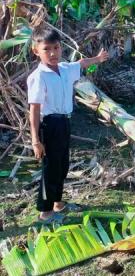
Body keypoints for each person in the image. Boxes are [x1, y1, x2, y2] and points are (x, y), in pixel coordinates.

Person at [27, 26, 109, 224]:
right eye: (47, 49)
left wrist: (98, 59)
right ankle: (45, 212)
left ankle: (58, 203)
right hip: (49, 125)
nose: (53, 53)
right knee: (50, 169)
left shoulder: (65, 69)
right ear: (35, 50)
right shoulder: (38, 77)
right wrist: (36, 140)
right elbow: (34, 110)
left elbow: (81, 63)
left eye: (56, 47)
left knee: (62, 166)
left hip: (64, 123)